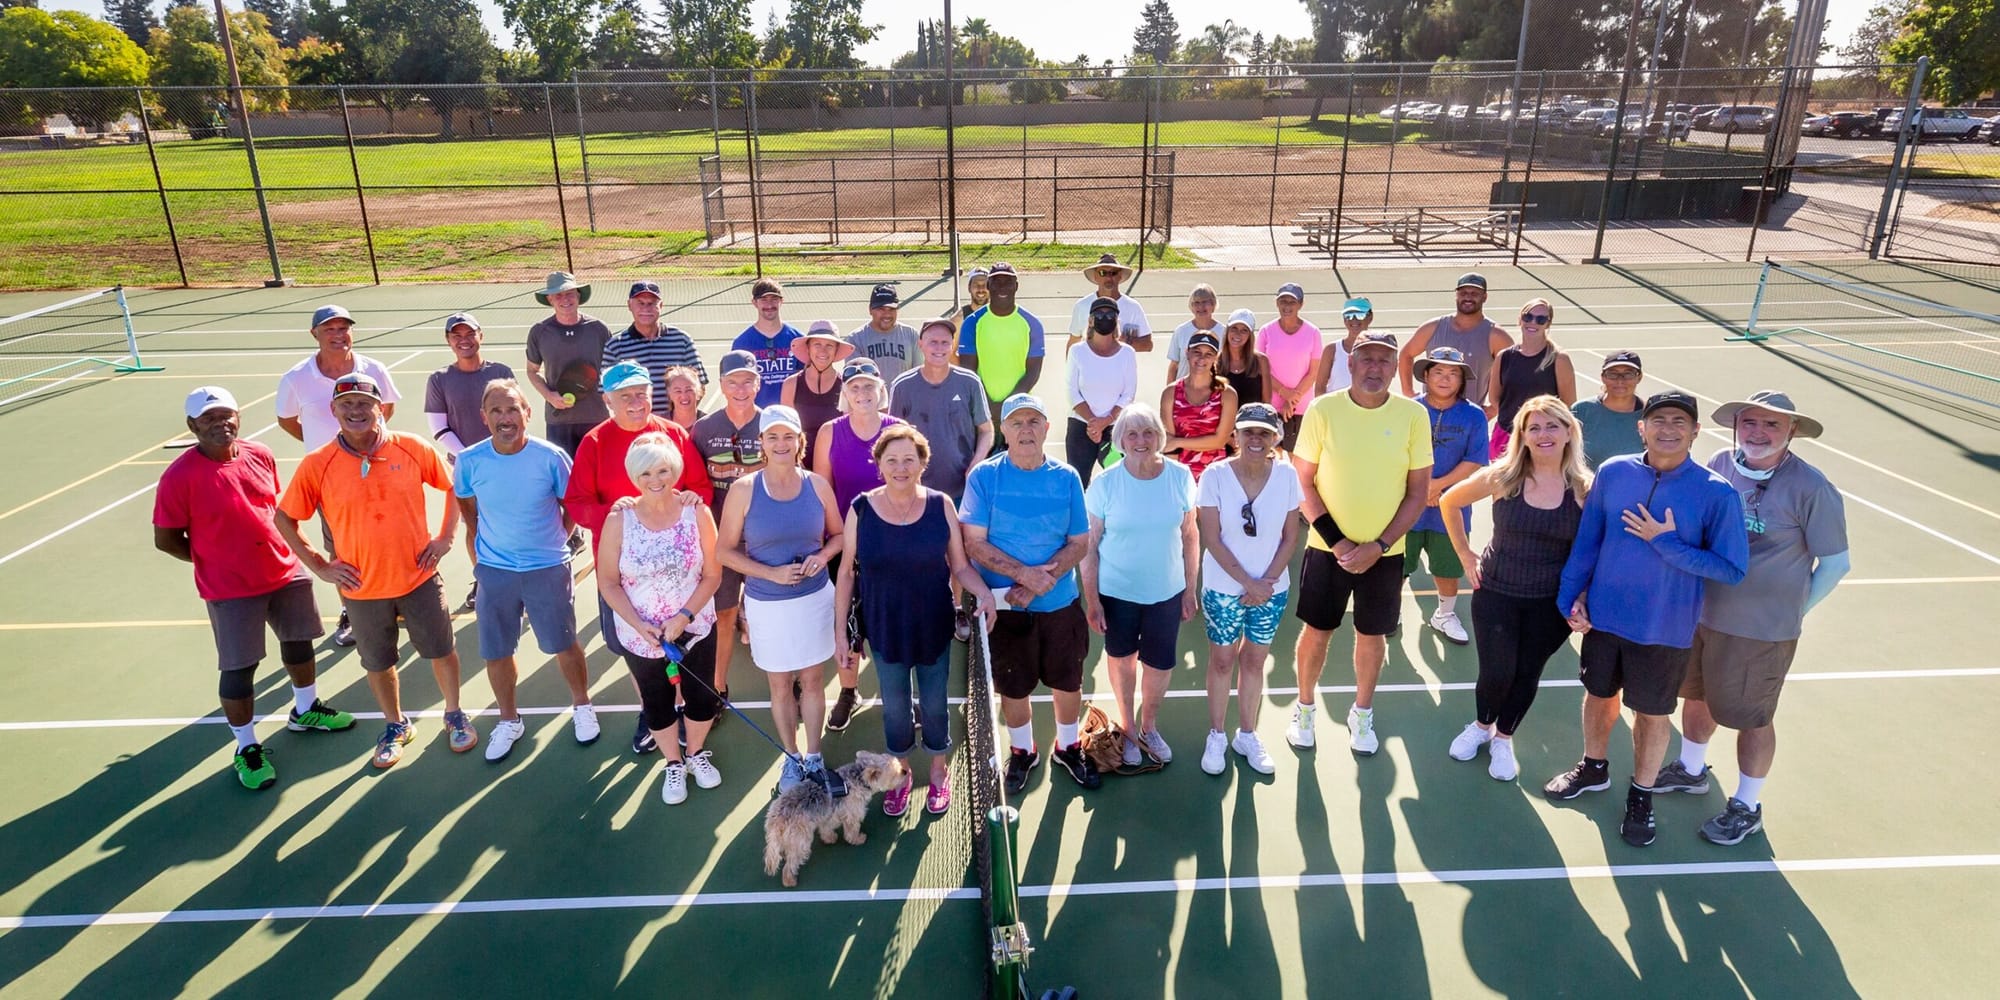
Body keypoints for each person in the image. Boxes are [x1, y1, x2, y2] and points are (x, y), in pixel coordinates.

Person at [1547, 391, 1749, 849]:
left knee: (1652, 715)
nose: (1668, 429)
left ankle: (1642, 794)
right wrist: (1570, 596)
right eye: (1658, 420)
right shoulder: (1614, 472)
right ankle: (1593, 768)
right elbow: (1589, 539)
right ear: (1642, 428)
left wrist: (1666, 543)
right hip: (1604, 619)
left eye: (1679, 421)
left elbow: (1732, 568)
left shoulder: (1717, 493)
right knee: (1599, 695)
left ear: (1695, 431)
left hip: (1664, 629)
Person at [1652, 391, 1849, 846]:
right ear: (1737, 425)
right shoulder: (1720, 463)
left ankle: (1747, 805)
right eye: (1751, 422)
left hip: (1761, 629)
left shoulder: (1811, 488)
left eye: (1772, 424)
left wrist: (1792, 609)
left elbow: (1836, 564)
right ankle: (1691, 769)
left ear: (1791, 431)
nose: (1758, 433)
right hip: (1703, 612)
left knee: (1753, 717)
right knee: (1696, 696)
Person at [155, 386, 354, 790]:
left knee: (299, 643)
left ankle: (305, 710)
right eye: (209, 418)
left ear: (238, 417)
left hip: (285, 570)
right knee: (239, 668)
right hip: (230, 587)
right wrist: (213, 559)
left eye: (226, 415)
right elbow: (167, 540)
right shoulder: (178, 477)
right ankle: (246, 747)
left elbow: (269, 510)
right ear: (192, 425)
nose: (220, 423)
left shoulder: (259, 454)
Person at [275, 372, 473, 769]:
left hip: (418, 577)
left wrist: (445, 538)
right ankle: (396, 725)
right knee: (379, 663)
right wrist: (320, 566)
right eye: (346, 404)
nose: (356, 411)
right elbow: (284, 518)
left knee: (442, 650)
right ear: (333, 411)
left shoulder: (411, 447)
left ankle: (453, 713)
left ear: (380, 408)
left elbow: (454, 486)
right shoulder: (318, 463)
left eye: (364, 403)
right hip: (362, 587)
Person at [834, 424, 997, 816]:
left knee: (935, 704)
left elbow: (960, 566)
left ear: (923, 463)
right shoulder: (860, 509)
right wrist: (840, 633)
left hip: (933, 624)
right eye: (892, 460)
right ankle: (901, 773)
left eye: (909, 459)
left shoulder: (942, 505)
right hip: (884, 627)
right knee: (894, 707)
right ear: (879, 465)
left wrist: (986, 593)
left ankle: (939, 770)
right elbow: (846, 573)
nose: (901, 467)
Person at [1288, 332, 1431, 756]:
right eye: (1366, 358)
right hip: (1326, 549)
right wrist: (1338, 543)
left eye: (1384, 361)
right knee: (1317, 632)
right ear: (1349, 364)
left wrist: (1379, 545)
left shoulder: (1413, 415)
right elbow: (1302, 481)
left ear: (1394, 368)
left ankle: (1362, 713)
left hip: (1385, 555)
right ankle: (1305, 708)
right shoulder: (1323, 410)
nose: (1375, 367)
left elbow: (1417, 493)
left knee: (1372, 636)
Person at [1439, 396, 1593, 781]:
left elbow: (1593, 549)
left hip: (1550, 603)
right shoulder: (1502, 477)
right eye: (1533, 427)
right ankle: (1481, 726)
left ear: (1569, 432)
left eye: (1552, 425)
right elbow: (1449, 501)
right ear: (1522, 436)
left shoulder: (1585, 489)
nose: (1543, 434)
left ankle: (1504, 738)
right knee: (1497, 671)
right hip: (1496, 592)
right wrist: (1466, 555)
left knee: (1526, 673)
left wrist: (1582, 596)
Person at [564, 360, 713, 754]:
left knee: (689, 645)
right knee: (639, 649)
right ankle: (653, 709)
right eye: (625, 396)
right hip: (625, 572)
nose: (635, 402)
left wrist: (688, 501)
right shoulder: (595, 442)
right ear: (608, 400)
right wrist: (618, 516)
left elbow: (700, 488)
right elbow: (577, 503)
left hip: (681, 571)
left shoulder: (673, 434)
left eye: (641, 394)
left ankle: (683, 710)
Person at [961, 394, 1102, 794]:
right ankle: (1023, 752)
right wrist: (1022, 576)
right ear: (1003, 431)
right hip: (1006, 609)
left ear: (1046, 429)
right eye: (1017, 422)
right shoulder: (984, 477)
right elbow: (974, 543)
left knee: (1068, 682)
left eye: (1034, 421)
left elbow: (1079, 542)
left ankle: (1068, 747)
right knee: (1014, 687)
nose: (1026, 430)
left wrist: (1041, 581)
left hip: (1060, 605)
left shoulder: (1067, 477)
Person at [452, 379, 598, 762]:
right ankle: (508, 719)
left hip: (547, 567)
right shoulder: (469, 461)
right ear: (484, 417)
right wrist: (484, 566)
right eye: (496, 411)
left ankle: (582, 705)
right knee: (497, 651)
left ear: (527, 413)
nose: (505, 418)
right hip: (495, 571)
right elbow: (470, 517)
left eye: (513, 409)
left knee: (564, 643)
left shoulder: (551, 457)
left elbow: (571, 507)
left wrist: (556, 540)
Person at [717, 405, 844, 791]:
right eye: (772, 436)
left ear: (799, 441)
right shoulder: (743, 490)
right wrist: (771, 573)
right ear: (762, 443)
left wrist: (822, 556)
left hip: (814, 600)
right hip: (767, 605)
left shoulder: (817, 485)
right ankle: (792, 758)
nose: (781, 443)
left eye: (788, 436)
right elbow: (724, 551)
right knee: (780, 685)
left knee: (813, 680)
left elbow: (839, 535)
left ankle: (814, 756)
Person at [600, 433, 726, 805]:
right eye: (646, 473)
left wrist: (684, 616)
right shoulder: (619, 519)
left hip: (695, 629)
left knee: (702, 699)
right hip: (641, 637)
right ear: (633, 476)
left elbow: (713, 574)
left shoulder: (697, 512)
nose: (655, 480)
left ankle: (696, 752)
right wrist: (640, 625)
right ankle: (673, 762)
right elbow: (608, 582)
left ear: (675, 470)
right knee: (656, 704)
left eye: (663, 471)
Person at [275, 304, 402, 646]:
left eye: (343, 328)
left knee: (390, 534)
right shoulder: (296, 378)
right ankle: (351, 610)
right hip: (331, 481)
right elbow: (286, 420)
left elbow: (386, 407)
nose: (338, 335)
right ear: (314, 334)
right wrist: (328, 449)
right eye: (329, 329)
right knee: (342, 546)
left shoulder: (373, 369)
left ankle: (396, 598)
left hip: (379, 470)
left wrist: (363, 436)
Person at [1082, 404, 1199, 767]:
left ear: (1159, 437)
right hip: (1117, 594)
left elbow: (1190, 535)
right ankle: (1129, 730)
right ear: (1120, 440)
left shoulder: (1180, 477)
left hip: (1167, 592)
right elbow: (1089, 547)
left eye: (1148, 433)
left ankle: (1149, 727)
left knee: (1159, 665)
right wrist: (1093, 601)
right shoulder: (1104, 484)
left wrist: (1190, 589)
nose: (1140, 441)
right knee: (1122, 661)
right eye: (1131, 434)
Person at [1194, 403, 1304, 776]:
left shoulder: (1287, 475)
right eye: (1249, 432)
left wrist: (1265, 583)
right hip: (1224, 589)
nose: (1256, 439)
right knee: (1222, 661)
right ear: (1235, 436)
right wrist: (1249, 583)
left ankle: (1247, 734)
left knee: (1255, 661)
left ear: (1275, 438)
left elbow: (1291, 537)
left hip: (1271, 590)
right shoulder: (1214, 476)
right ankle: (1216, 735)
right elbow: (1211, 537)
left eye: (1264, 433)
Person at [815, 356, 902, 732]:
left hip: (892, 547)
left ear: (880, 390)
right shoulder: (829, 432)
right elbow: (822, 491)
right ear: (845, 393)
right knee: (847, 623)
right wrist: (832, 542)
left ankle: (898, 694)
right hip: (845, 547)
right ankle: (849, 692)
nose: (862, 393)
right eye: (855, 387)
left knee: (893, 626)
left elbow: (909, 488)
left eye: (869, 386)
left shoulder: (898, 430)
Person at [689, 350, 766, 713]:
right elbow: (693, 484)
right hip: (721, 542)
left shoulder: (772, 424)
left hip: (766, 537)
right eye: (732, 382)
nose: (740, 389)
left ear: (758, 384)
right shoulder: (704, 430)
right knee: (724, 614)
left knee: (775, 613)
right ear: (721, 385)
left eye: (747, 381)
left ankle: (792, 680)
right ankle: (718, 686)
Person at [424, 312, 514, 610]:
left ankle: (514, 578)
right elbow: (439, 427)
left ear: (480, 336)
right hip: (466, 468)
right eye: (457, 336)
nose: (464, 340)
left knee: (509, 523)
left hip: (505, 463)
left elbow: (513, 415)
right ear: (449, 341)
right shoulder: (439, 379)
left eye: (469, 334)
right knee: (475, 527)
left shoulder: (500, 372)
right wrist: (471, 458)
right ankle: (483, 580)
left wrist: (500, 453)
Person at [1407, 347, 1491, 645]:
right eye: (1439, 372)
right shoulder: (1408, 410)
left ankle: (1444, 614)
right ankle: (1390, 611)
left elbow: (1475, 460)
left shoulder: (1474, 415)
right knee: (1397, 564)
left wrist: (1439, 486)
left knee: (1447, 566)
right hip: (1407, 505)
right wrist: (1422, 488)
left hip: (1452, 507)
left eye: (1453, 373)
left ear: (1462, 379)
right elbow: (1396, 454)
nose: (1445, 379)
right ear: (1426, 375)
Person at [888, 317, 993, 502]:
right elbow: (891, 438)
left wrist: (976, 464)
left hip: (963, 492)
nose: (939, 348)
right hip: (916, 493)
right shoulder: (902, 386)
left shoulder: (970, 382)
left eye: (945, 342)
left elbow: (986, 430)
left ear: (952, 346)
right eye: (933, 342)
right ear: (921, 344)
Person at [522, 272, 614, 458]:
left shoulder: (598, 329)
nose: (565, 299)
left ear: (578, 295)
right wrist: (549, 396)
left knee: (598, 471)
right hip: (559, 421)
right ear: (550, 299)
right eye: (558, 295)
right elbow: (532, 371)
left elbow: (612, 369)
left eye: (569, 293)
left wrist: (611, 396)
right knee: (564, 474)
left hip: (596, 417)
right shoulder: (539, 332)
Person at [1398, 272, 1514, 407]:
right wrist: (1408, 392)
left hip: (1469, 416)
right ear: (1456, 295)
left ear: (1484, 297)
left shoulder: (1497, 336)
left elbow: (1514, 373)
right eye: (1463, 293)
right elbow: (1406, 355)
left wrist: (1494, 408)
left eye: (1474, 293)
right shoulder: (1432, 327)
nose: (1468, 297)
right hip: (1429, 413)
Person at [957, 262, 1047, 429]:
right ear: (989, 285)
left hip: (1019, 411)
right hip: (981, 412)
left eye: (1008, 282)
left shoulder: (1032, 324)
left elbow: (1033, 373)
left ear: (1016, 286)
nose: (1002, 287)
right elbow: (968, 370)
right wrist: (987, 406)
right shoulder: (972, 323)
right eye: (996, 282)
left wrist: (1007, 406)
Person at [1485, 298, 1576, 459]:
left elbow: (1567, 404)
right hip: (1506, 435)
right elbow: (1494, 398)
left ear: (1548, 324)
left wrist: (1537, 426)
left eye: (1541, 319)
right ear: (1520, 319)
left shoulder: (1559, 359)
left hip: (1542, 439)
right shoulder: (1504, 357)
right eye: (1528, 317)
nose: (1533, 322)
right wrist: (1518, 421)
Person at [601, 280, 706, 419]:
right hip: (635, 424)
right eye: (640, 303)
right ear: (629, 305)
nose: (646, 308)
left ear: (661, 305)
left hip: (676, 424)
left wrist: (679, 416)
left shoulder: (682, 340)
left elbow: (700, 384)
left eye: (651, 303)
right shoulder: (614, 346)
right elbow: (606, 392)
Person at [1066, 296, 1137, 488]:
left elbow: (1129, 394)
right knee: (1078, 484)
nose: (1104, 318)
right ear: (1090, 320)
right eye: (1099, 314)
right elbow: (1072, 392)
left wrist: (1106, 421)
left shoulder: (1127, 353)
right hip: (1081, 428)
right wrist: (1093, 422)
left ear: (1116, 320)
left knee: (1120, 482)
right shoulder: (1077, 351)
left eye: (1110, 315)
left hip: (1115, 429)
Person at [1161, 330, 1237, 481]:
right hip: (1181, 476)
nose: (1202, 358)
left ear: (1216, 357)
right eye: (1197, 352)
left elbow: (1220, 440)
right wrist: (1176, 480)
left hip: (1217, 476)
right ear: (1187, 353)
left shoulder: (1227, 394)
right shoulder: (1170, 393)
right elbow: (1170, 446)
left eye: (1208, 354)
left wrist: (1178, 442)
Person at [1257, 283, 1322, 450]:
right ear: (1277, 303)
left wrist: (1292, 399)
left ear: (1301, 304)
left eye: (1292, 302)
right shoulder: (1266, 331)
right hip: (1270, 406)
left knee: (1298, 456)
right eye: (1283, 301)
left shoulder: (1313, 332)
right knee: (1270, 456)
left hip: (1301, 408)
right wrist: (1284, 393)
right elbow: (1260, 369)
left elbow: (1313, 373)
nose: (1287, 306)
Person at [782, 320, 850, 468]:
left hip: (835, 466)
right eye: (817, 344)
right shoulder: (791, 385)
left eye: (829, 345)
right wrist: (800, 469)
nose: (823, 351)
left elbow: (846, 437)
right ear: (808, 348)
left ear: (836, 350)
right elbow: (786, 433)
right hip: (798, 468)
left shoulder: (846, 387)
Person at [732, 277, 801, 406]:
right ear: (754, 302)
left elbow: (806, 379)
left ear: (781, 301)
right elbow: (737, 384)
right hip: (756, 413)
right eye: (764, 300)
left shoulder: (798, 339)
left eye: (774, 299)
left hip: (790, 412)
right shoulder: (741, 343)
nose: (769, 305)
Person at [1572, 351, 1646, 471]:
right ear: (1603, 377)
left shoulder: (1649, 415)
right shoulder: (1581, 411)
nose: (1620, 381)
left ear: (1639, 377)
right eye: (1613, 374)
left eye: (1628, 374)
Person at [1066, 252, 1151, 353]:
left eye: (1113, 273)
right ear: (1095, 276)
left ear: (1120, 276)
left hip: (1122, 363)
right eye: (1103, 273)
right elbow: (1073, 341)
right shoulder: (1082, 305)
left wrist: (1122, 341)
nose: (1108, 278)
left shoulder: (1133, 307)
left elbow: (1148, 345)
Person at [847, 283, 920, 385]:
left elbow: (919, 376)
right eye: (881, 309)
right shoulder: (855, 339)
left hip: (904, 395)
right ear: (870, 310)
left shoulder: (911, 335)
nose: (887, 314)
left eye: (892, 309)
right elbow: (855, 382)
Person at [1313, 297, 1372, 396]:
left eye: (1360, 315)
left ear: (1370, 317)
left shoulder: (1379, 351)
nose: (1354, 320)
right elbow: (1319, 388)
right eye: (1348, 316)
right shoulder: (1331, 350)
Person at [1218, 309, 1270, 418]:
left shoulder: (1261, 361)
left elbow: (1266, 403)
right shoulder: (1216, 361)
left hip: (1252, 424)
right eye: (1234, 328)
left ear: (1250, 335)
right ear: (1227, 331)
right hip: (1223, 425)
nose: (1238, 334)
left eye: (1244, 330)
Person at [1164, 283, 1221, 383]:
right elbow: (1174, 366)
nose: (1201, 306)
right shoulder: (1181, 331)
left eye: (1205, 302)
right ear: (1192, 306)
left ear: (1213, 304)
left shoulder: (1224, 332)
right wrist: (1170, 390)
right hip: (1184, 390)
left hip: (1213, 389)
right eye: (1196, 303)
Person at [663, 366, 704, 431]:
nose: (684, 396)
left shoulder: (710, 424)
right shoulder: (660, 425)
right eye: (678, 391)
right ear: (669, 394)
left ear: (698, 392)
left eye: (689, 390)